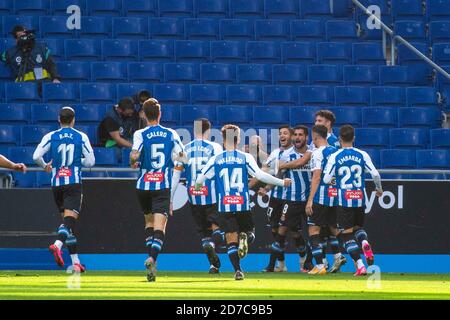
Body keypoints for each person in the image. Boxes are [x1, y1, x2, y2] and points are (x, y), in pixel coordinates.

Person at [195, 124, 291, 281]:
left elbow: (199, 180)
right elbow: (260, 175)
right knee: (249, 233)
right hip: (242, 204)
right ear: (238, 139)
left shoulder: (216, 159)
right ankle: (244, 238)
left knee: (229, 238)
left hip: (224, 205)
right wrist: (281, 182)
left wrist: (200, 186)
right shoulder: (245, 157)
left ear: (223, 140)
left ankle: (238, 270)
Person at [130, 98, 186, 282]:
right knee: (160, 227)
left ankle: (152, 268)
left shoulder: (140, 133)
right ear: (160, 114)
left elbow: (134, 156)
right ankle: (152, 258)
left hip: (143, 185)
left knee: (148, 223)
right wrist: (175, 161)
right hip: (162, 185)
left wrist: (134, 161)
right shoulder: (171, 133)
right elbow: (183, 158)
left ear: (144, 115)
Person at [32, 107, 95, 272]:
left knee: (68, 226)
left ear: (59, 119)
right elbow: (90, 162)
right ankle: (57, 245)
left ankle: (75, 262)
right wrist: (77, 160)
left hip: (57, 184)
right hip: (73, 183)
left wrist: (45, 165)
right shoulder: (81, 137)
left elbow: (35, 156)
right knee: (69, 222)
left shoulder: (50, 136)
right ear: (73, 120)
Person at [323, 125, 383, 276]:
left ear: (339, 139)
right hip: (360, 197)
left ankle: (360, 265)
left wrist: (335, 180)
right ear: (354, 138)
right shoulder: (362, 154)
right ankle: (364, 242)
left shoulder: (335, 156)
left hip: (344, 199)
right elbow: (375, 174)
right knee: (358, 228)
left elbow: (326, 178)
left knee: (346, 234)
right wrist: (379, 189)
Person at [171, 118, 224, 274]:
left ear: (194, 131)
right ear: (208, 131)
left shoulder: (184, 149)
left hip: (193, 196)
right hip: (212, 195)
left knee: (204, 232)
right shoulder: (215, 147)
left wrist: (171, 199)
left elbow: (176, 176)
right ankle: (214, 243)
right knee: (217, 228)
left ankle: (213, 265)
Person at [266, 125, 313, 273]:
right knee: (282, 230)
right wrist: (268, 188)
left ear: (306, 138)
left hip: (308, 200)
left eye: (301, 135)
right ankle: (273, 265)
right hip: (291, 199)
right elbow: (279, 175)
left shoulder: (313, 153)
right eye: (296, 135)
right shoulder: (287, 154)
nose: (297, 137)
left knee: (314, 232)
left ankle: (309, 263)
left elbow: (302, 164)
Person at [305, 125, 346, 275]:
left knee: (313, 229)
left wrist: (310, 200)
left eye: (312, 137)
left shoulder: (317, 153)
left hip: (320, 197)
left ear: (316, 137)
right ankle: (343, 255)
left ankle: (320, 266)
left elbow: (316, 177)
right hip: (334, 196)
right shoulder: (336, 152)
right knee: (333, 228)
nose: (312, 140)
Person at [258, 125, 293, 272]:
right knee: (274, 229)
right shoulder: (275, 152)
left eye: (285, 133)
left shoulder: (293, 153)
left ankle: (304, 261)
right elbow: (265, 169)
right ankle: (282, 264)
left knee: (288, 231)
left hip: (289, 197)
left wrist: (266, 188)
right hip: (275, 198)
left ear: (291, 136)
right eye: (280, 134)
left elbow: (279, 175)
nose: (282, 136)